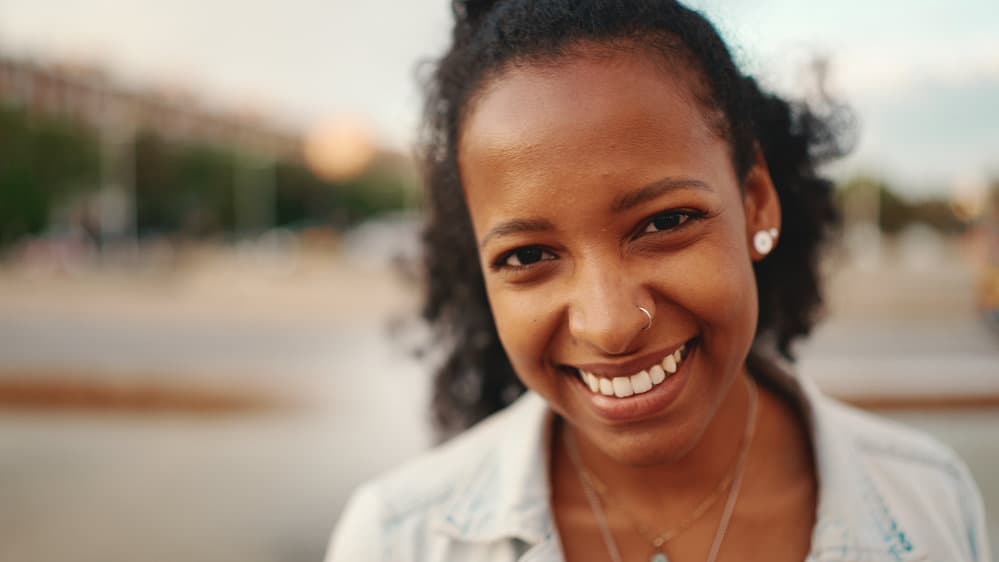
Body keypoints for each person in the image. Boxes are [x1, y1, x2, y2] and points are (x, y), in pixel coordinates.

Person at [326, 1, 991, 561]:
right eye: (527, 257)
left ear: (755, 200)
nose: (609, 324)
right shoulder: (397, 537)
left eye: (664, 221)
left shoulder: (925, 502)